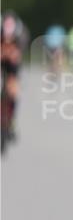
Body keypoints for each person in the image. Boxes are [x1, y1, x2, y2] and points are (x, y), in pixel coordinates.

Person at [1, 12, 27, 150]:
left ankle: (11, 120)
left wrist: (14, 54)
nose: (7, 39)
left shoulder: (20, 35)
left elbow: (19, 54)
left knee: (13, 89)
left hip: (13, 65)